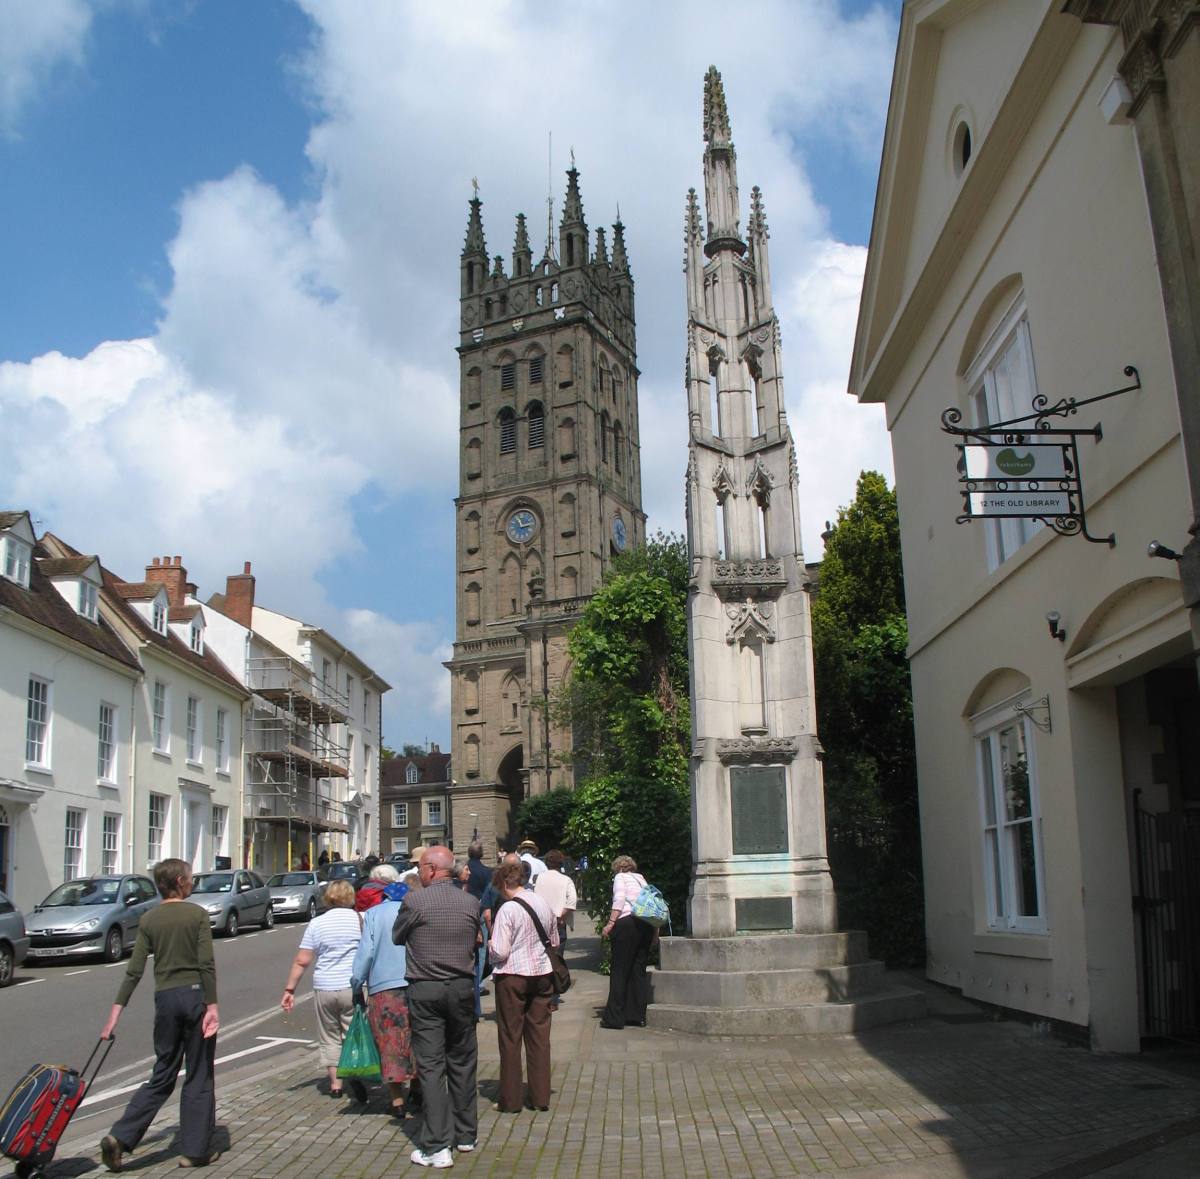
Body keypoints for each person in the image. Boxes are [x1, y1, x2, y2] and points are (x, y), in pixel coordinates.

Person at [98, 858, 220, 1171]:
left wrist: (115, 1012)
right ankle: (195, 1150)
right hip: (194, 996)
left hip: (165, 1000)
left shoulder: (149, 919)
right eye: (190, 878)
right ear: (180, 881)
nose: (192, 882)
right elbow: (206, 963)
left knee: (163, 1072)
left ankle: (121, 1136)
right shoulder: (197, 914)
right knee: (199, 1074)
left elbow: (134, 970)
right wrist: (212, 1006)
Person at [392, 845, 480, 1169]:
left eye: (419, 868)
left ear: (430, 869)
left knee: (430, 1066)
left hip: (426, 988)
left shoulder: (414, 901)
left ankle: (437, 1145)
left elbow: (397, 936)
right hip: (461, 987)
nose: (418, 872)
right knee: (462, 1059)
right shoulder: (471, 902)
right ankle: (466, 1134)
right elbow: (476, 939)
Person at [280, 880, 364, 1099]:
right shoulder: (361, 919)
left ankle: (336, 1084)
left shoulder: (317, 923)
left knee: (329, 1036)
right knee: (353, 1034)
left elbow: (302, 960)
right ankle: (355, 1072)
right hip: (352, 985)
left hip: (325, 985)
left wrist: (290, 989)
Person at [488, 860, 558, 1113]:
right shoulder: (542, 903)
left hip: (513, 975)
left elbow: (500, 950)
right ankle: (540, 1097)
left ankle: (511, 1099)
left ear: (506, 883)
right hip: (542, 974)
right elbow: (554, 940)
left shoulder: (507, 910)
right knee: (540, 1037)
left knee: (510, 1036)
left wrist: (489, 948)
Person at [349, 865, 417, 1117]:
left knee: (389, 1042)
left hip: (384, 987)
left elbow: (365, 952)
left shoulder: (375, 914)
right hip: (416, 982)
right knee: (417, 1039)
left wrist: (357, 982)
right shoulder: (415, 910)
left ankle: (397, 1100)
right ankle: (419, 1089)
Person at [599, 854, 655, 1030]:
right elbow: (653, 904)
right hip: (646, 925)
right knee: (638, 971)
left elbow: (620, 899)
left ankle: (614, 1018)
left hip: (627, 924)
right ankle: (637, 1016)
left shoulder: (620, 877)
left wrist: (610, 923)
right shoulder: (641, 879)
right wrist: (655, 933)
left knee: (620, 970)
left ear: (617, 868)